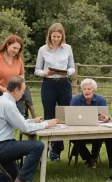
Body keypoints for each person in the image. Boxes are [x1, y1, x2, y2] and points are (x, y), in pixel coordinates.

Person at [34, 23, 75, 161]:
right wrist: (45, 73)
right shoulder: (43, 49)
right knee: (49, 115)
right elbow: (37, 70)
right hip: (49, 84)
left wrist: (68, 72)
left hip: (64, 83)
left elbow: (72, 67)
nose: (56, 39)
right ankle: (45, 147)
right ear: (49, 35)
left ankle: (56, 151)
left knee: (63, 116)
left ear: (62, 36)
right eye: (54, 36)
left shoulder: (68, 48)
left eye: (59, 36)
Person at [70, 78, 107, 168]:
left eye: (89, 89)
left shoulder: (101, 99)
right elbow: (70, 115)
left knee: (100, 136)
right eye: (84, 89)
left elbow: (105, 116)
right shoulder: (75, 99)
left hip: (96, 129)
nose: (86, 91)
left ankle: (93, 156)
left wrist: (102, 117)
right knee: (74, 138)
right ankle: (90, 159)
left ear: (94, 90)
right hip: (79, 129)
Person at [0, 34, 25, 116]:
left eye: (18, 49)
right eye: (14, 48)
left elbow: (21, 80)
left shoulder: (19, 60)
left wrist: (19, 93)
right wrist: (3, 89)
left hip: (12, 96)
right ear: (7, 45)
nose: (16, 51)